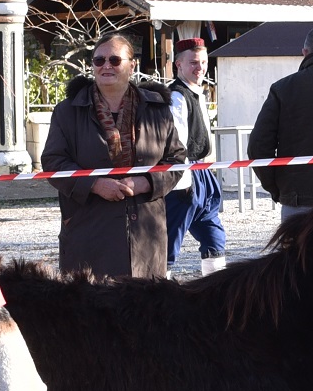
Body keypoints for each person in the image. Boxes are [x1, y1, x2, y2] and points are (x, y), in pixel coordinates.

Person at [41, 32, 184, 280]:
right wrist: (94, 184)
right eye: (99, 60)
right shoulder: (67, 111)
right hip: (89, 234)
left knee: (143, 313)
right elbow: (53, 162)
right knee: (91, 313)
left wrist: (145, 183)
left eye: (115, 60)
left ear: (132, 66)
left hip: (145, 238)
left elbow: (176, 159)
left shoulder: (157, 110)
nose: (106, 65)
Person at [249, 26, 313, 220]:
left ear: (305, 52)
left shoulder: (283, 89)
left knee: (297, 252)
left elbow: (258, 147)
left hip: (299, 201)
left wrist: (277, 189)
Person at [164, 38, 226, 274]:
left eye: (203, 62)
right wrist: (183, 180)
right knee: (170, 240)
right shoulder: (177, 97)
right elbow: (177, 146)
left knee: (214, 238)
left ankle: (215, 290)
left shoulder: (197, 92)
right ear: (178, 65)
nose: (200, 68)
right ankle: (157, 294)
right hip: (184, 179)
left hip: (203, 175)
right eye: (193, 63)